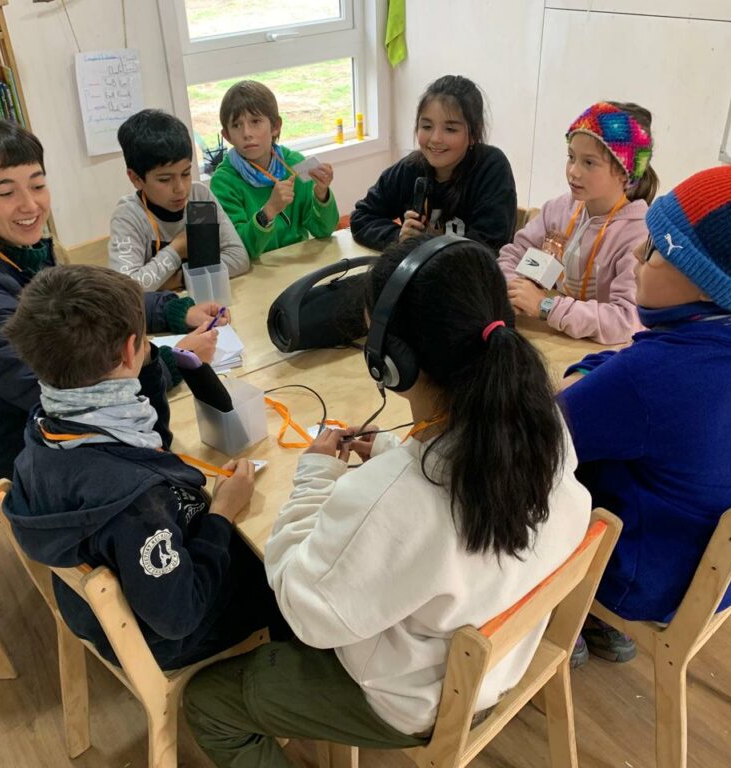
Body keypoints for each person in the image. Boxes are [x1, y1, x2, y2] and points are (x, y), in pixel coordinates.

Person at [182, 235, 591, 766]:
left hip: (418, 701)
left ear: (390, 361)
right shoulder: (542, 420)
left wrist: (315, 475)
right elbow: (461, 474)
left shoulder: (396, 498)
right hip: (508, 657)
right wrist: (398, 448)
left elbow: (305, 607)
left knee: (208, 702)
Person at [0, 120, 225, 528]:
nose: (30, 205)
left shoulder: (17, 249)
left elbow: (83, 311)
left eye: (37, 185)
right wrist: (171, 359)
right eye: (6, 192)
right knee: (148, 490)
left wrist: (175, 311)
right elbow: (72, 394)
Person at [559, 164, 731, 666]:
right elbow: (632, 363)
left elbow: (544, 428)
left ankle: (556, 623)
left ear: (704, 283)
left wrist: (581, 373)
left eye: (654, 249)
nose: (636, 255)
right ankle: (601, 625)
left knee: (527, 475)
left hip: (649, 579)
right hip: (720, 567)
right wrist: (599, 368)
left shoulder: (653, 376)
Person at [1, 264, 282, 670]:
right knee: (285, 565)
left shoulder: (51, 422)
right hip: (162, 634)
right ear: (130, 349)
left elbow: (149, 447)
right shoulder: (137, 503)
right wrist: (222, 513)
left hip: (103, 608)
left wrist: (147, 364)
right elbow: (180, 617)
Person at [498, 102, 657, 344]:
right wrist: (515, 291)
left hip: (600, 355)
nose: (573, 171)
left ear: (624, 173)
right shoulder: (559, 209)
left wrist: (546, 306)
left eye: (589, 162)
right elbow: (513, 256)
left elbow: (626, 320)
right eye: (571, 157)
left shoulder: (638, 234)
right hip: (552, 338)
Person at [350, 75, 516, 251]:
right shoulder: (409, 169)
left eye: (450, 129)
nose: (435, 139)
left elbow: (488, 247)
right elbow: (361, 217)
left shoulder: (491, 168)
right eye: (427, 127)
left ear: (474, 134)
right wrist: (398, 237)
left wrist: (425, 246)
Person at [109, 108, 248, 291]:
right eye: (165, 180)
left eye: (186, 174)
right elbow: (126, 289)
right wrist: (177, 250)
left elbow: (239, 258)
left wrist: (180, 279)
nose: (181, 189)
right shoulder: (128, 216)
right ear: (136, 178)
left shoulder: (200, 196)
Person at [210, 80, 340, 259]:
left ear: (275, 126)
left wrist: (321, 193)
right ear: (227, 136)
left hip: (297, 269)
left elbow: (324, 231)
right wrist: (268, 211)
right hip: (254, 276)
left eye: (255, 121)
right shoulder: (224, 181)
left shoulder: (294, 164)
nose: (247, 133)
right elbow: (239, 253)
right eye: (236, 125)